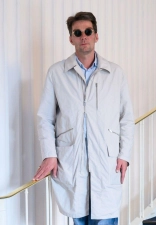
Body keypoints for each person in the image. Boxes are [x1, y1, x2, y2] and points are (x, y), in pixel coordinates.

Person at [33, 11, 134, 225]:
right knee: (78, 215)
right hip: (71, 161)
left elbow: (126, 118)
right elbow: (45, 118)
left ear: (96, 35)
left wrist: (124, 155)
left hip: (106, 162)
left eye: (88, 31)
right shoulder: (56, 73)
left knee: (105, 217)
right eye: (77, 33)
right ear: (71, 38)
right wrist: (49, 154)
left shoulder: (115, 73)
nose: (83, 37)